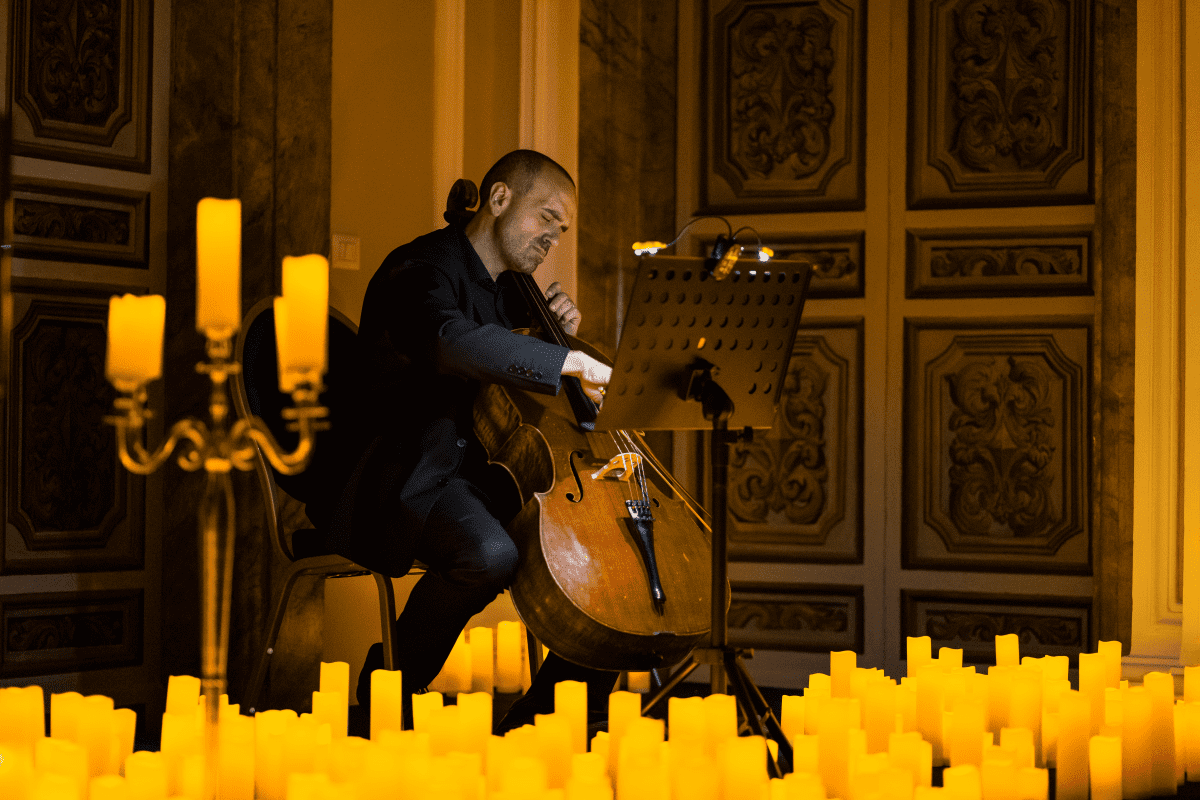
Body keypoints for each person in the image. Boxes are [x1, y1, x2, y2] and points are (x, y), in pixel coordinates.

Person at [325, 149, 618, 731]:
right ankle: (387, 687)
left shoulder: (508, 291)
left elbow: (511, 366)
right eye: (546, 219)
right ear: (500, 199)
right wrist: (565, 358)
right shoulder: (419, 270)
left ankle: (552, 718)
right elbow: (451, 340)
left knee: (598, 560)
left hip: (476, 475)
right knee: (490, 554)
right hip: (405, 470)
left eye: (561, 230)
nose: (551, 239)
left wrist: (555, 330)